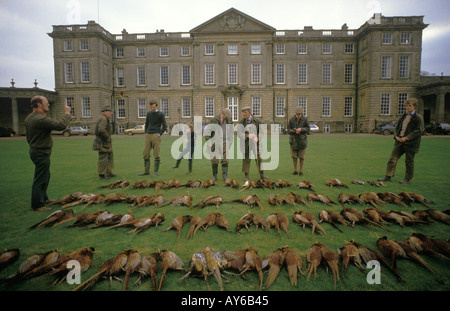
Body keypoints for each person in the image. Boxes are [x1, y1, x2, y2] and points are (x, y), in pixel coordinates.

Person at [24, 95, 71, 211]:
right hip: (40, 152)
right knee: (40, 178)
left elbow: (28, 137)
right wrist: (67, 113)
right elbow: (61, 126)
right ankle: (37, 205)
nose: (48, 104)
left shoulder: (29, 118)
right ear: (39, 104)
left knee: (45, 176)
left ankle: (44, 198)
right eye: (46, 102)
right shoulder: (40, 119)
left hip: (36, 150)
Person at [378, 98, 424, 184]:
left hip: (411, 143)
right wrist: (396, 136)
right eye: (406, 106)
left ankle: (407, 178)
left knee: (409, 161)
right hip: (399, 142)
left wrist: (406, 138)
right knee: (392, 159)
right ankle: (388, 176)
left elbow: (419, 130)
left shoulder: (418, 118)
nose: (407, 107)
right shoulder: (404, 116)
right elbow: (397, 127)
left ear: (414, 106)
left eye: (409, 106)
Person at [238, 106, 267, 184]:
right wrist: (247, 136)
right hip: (245, 143)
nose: (243, 114)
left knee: (258, 158)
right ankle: (246, 176)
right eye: (243, 112)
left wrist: (257, 138)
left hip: (255, 143)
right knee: (246, 159)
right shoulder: (241, 122)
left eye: (245, 112)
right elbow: (239, 133)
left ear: (249, 112)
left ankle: (262, 174)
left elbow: (262, 131)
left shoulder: (257, 121)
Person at [140, 101, 167, 176]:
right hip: (148, 135)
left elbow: (165, 126)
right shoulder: (148, 114)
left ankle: (155, 172)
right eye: (151, 107)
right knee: (146, 153)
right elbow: (147, 123)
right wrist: (146, 132)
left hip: (156, 135)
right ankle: (146, 171)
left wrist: (159, 134)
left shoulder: (160, 114)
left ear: (156, 106)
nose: (152, 108)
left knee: (156, 153)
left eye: (153, 107)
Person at [205, 108, 233, 181]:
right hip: (215, 142)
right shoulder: (214, 119)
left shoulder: (229, 120)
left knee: (225, 160)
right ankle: (214, 176)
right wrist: (209, 141)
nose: (227, 118)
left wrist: (230, 142)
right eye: (226, 116)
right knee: (214, 160)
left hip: (225, 142)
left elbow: (231, 132)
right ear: (222, 114)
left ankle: (225, 176)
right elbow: (208, 131)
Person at [92, 106, 115, 180]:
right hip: (103, 141)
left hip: (105, 141)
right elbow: (101, 129)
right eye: (110, 111)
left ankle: (108, 172)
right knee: (103, 158)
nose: (111, 113)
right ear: (105, 111)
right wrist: (107, 137)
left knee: (109, 156)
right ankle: (102, 175)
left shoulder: (105, 118)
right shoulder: (103, 118)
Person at [287, 106, 310, 175]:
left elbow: (308, 129)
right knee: (294, 157)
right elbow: (288, 130)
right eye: (297, 114)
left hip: (302, 141)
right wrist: (292, 131)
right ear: (295, 113)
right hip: (293, 141)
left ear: (301, 113)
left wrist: (301, 129)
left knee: (301, 157)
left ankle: (301, 171)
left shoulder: (305, 119)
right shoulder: (291, 119)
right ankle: (295, 170)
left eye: (299, 114)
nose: (298, 115)